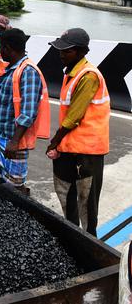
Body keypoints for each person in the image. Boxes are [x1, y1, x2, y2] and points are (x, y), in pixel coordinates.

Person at [46, 28, 110, 236]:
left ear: (81, 51)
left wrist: (55, 141)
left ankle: (90, 241)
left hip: (87, 152)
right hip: (70, 147)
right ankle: (72, 235)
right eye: (60, 50)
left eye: (67, 51)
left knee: (86, 201)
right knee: (65, 192)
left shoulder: (88, 76)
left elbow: (73, 117)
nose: (61, 54)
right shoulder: (71, 73)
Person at [0, 28, 50, 195]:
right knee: (6, 176)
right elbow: (6, 103)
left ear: (7, 48)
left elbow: (28, 112)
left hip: (15, 139)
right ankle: (5, 202)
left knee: (16, 183)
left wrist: (15, 141)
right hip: (3, 134)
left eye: (1, 48)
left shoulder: (27, 71)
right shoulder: (13, 69)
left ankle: (19, 211)